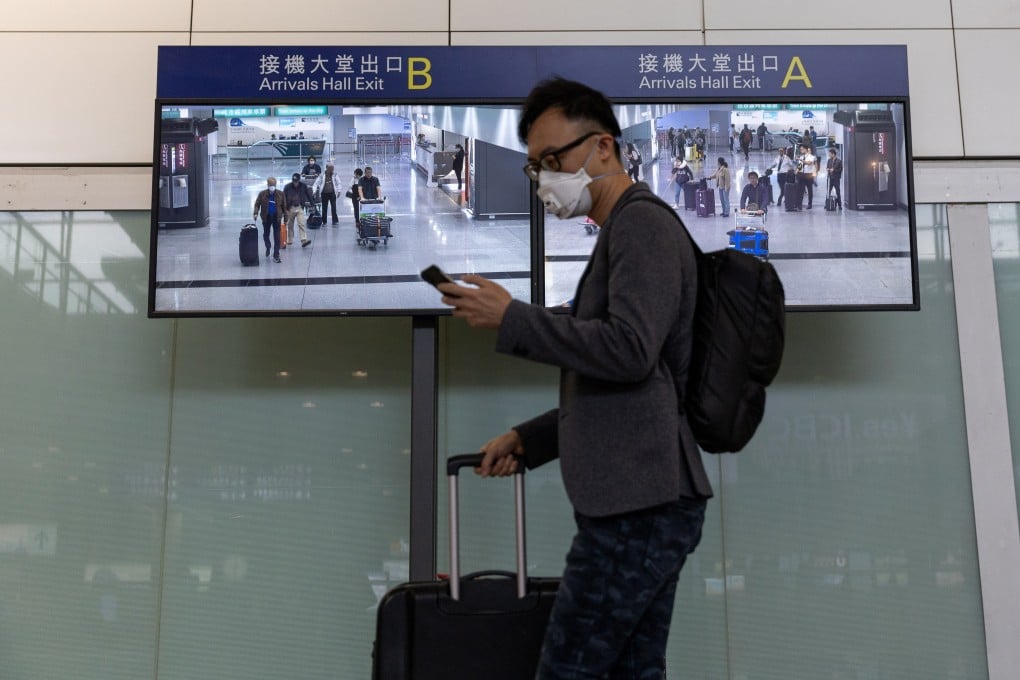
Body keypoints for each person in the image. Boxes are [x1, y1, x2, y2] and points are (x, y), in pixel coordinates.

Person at [434, 77, 712, 679]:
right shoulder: (623, 230)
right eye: (535, 167)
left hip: (638, 505)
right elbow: (629, 386)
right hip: (645, 500)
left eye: (553, 159)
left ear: (603, 147)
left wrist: (514, 318)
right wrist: (531, 439)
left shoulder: (641, 225)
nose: (544, 179)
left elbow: (629, 351)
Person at [252, 176, 286, 263]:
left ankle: (276, 254)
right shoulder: (262, 194)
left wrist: (286, 218)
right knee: (266, 234)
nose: (272, 186)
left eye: (273, 185)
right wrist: (255, 213)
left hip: (277, 217)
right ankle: (268, 246)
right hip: (266, 217)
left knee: (277, 236)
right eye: (270, 185)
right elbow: (257, 204)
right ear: (267, 185)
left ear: (276, 185)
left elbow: (284, 207)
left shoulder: (280, 194)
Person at [283, 173, 314, 247]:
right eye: (294, 181)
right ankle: (290, 239)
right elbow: (283, 198)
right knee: (290, 225)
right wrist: (284, 209)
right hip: (290, 208)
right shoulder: (287, 187)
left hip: (299, 207)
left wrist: (312, 204)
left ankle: (303, 240)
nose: (295, 183)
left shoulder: (303, 186)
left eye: (296, 181)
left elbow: (309, 195)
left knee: (301, 223)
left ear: (299, 180)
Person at [797, 144, 818, 209]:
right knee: (800, 190)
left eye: (802, 149)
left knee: (809, 190)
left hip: (808, 175)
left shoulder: (812, 157)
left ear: (806, 149)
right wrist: (796, 171)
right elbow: (800, 167)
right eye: (800, 149)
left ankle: (810, 204)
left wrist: (801, 160)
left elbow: (809, 163)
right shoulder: (801, 157)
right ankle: (799, 205)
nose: (801, 150)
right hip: (801, 174)